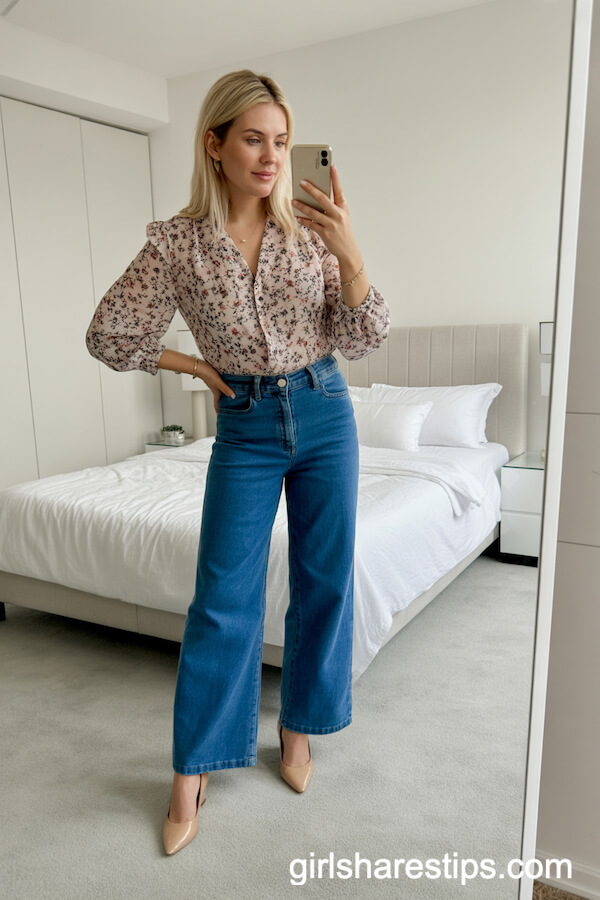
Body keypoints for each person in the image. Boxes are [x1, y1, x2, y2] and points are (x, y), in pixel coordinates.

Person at [86, 69, 390, 856]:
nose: (271, 156)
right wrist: (191, 367)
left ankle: (299, 727)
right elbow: (109, 334)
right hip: (246, 424)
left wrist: (351, 252)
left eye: (282, 142)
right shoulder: (176, 243)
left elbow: (362, 338)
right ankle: (193, 768)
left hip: (325, 409)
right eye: (254, 138)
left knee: (325, 580)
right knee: (222, 598)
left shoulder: (313, 230)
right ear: (214, 144)